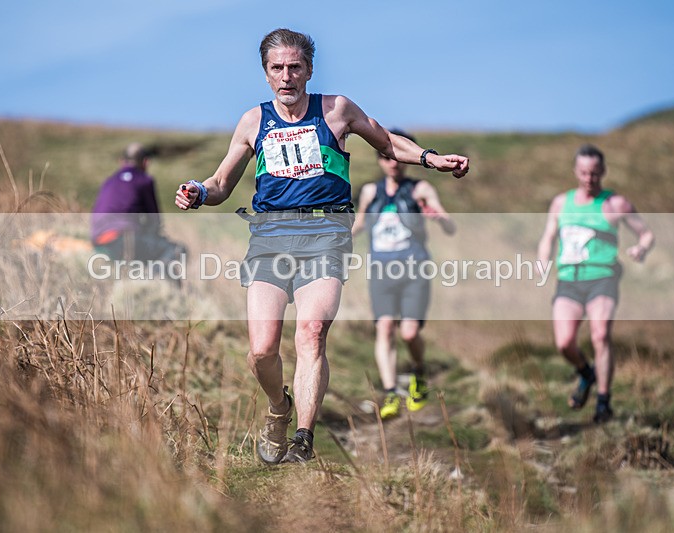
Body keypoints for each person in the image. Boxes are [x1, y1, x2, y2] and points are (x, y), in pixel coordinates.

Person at [175, 28, 469, 464]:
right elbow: (221, 183)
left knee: (311, 333)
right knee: (262, 350)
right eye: (278, 68)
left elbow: (386, 142)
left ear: (309, 69)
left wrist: (431, 159)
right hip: (270, 237)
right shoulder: (253, 122)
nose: (287, 76)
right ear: (266, 73)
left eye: (295, 67)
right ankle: (279, 406)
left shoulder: (336, 110)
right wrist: (199, 191)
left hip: (325, 234)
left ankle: (303, 438)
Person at [537, 144, 654, 423]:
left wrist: (641, 248)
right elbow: (548, 237)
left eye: (595, 173)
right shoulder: (560, 203)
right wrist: (542, 261)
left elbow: (645, 234)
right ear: (576, 172)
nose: (589, 179)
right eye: (584, 173)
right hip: (569, 280)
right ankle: (586, 373)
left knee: (600, 335)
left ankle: (603, 401)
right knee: (564, 343)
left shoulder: (615, 204)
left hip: (603, 278)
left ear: (603, 171)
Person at [351, 129, 456, 420]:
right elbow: (359, 224)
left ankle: (418, 373)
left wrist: (438, 217)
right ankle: (390, 393)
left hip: (414, 269)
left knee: (409, 332)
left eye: (397, 158)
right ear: (380, 161)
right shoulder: (371, 192)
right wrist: (336, 239)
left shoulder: (420, 189)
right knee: (384, 328)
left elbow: (449, 225)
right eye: (386, 158)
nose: (393, 163)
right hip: (381, 270)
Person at [91, 142, 187, 280]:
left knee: (142, 250)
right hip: (123, 239)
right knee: (176, 250)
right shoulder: (144, 180)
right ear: (146, 162)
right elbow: (154, 220)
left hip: (99, 242)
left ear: (122, 161)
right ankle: (160, 290)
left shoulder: (108, 181)